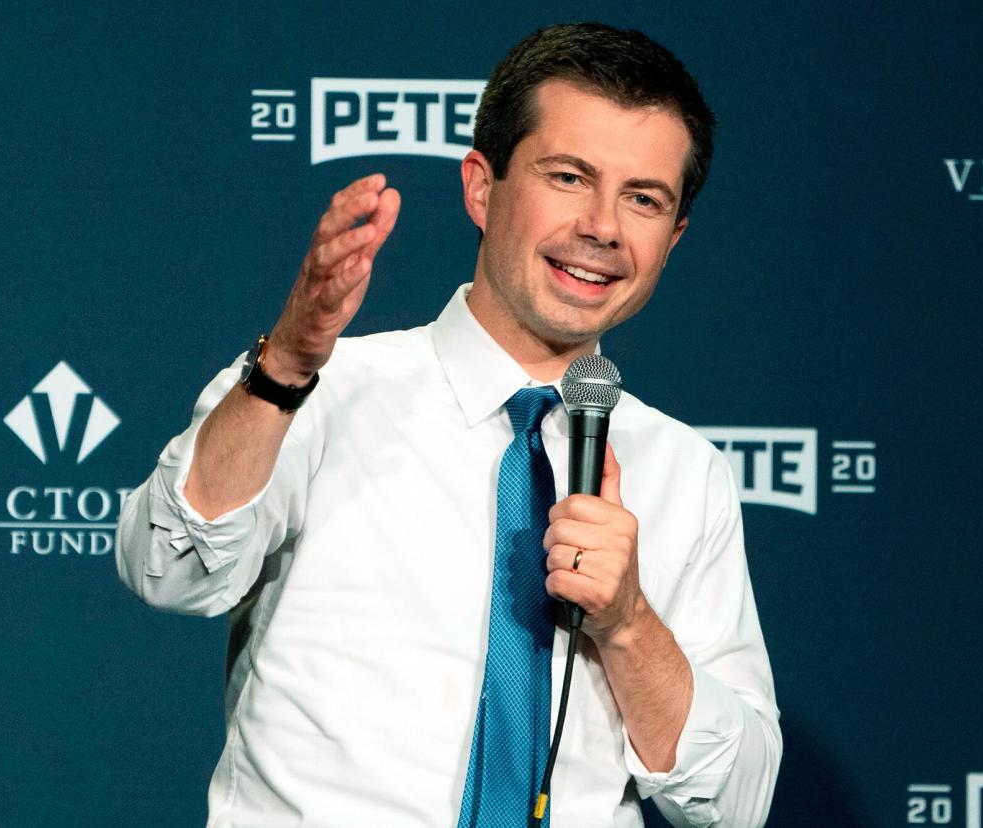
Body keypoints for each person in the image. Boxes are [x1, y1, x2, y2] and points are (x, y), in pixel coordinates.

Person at [116, 22, 780, 827]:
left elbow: (736, 804)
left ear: (672, 239)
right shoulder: (316, 389)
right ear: (481, 186)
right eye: (569, 177)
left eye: (643, 199)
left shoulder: (685, 470)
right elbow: (167, 568)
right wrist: (286, 367)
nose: (604, 227)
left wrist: (629, 623)